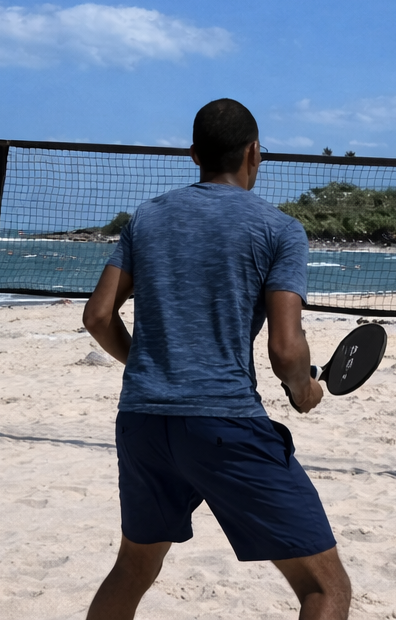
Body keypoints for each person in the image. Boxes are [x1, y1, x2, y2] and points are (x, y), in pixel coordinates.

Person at [82, 99, 351, 620]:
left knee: (134, 568)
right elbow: (286, 350)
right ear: (254, 153)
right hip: (223, 421)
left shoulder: (148, 218)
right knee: (325, 588)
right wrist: (305, 391)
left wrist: (148, 366)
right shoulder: (279, 229)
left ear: (194, 154)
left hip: (142, 421)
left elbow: (97, 317)